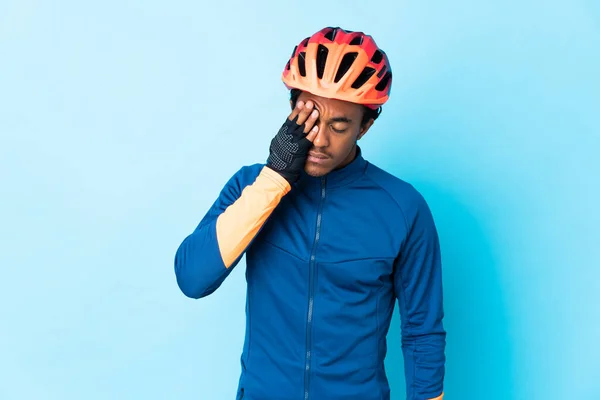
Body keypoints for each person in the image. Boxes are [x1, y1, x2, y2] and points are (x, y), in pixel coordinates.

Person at [174, 26, 446, 400]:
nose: (319, 139)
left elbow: (422, 331)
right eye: (310, 118)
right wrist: (276, 177)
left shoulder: (403, 208)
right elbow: (193, 278)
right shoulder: (251, 186)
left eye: (339, 125)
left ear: (365, 126)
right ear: (291, 111)